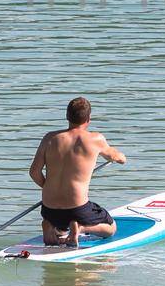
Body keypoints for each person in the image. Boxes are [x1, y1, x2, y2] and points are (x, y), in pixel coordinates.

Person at [29, 97, 127, 247]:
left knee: (61, 227)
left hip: (49, 209)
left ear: (67, 116)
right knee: (111, 228)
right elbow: (115, 156)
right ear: (88, 119)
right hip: (77, 208)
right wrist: (121, 157)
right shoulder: (95, 139)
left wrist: (49, 188)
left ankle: (50, 226)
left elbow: (34, 172)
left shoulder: (49, 138)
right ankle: (81, 227)